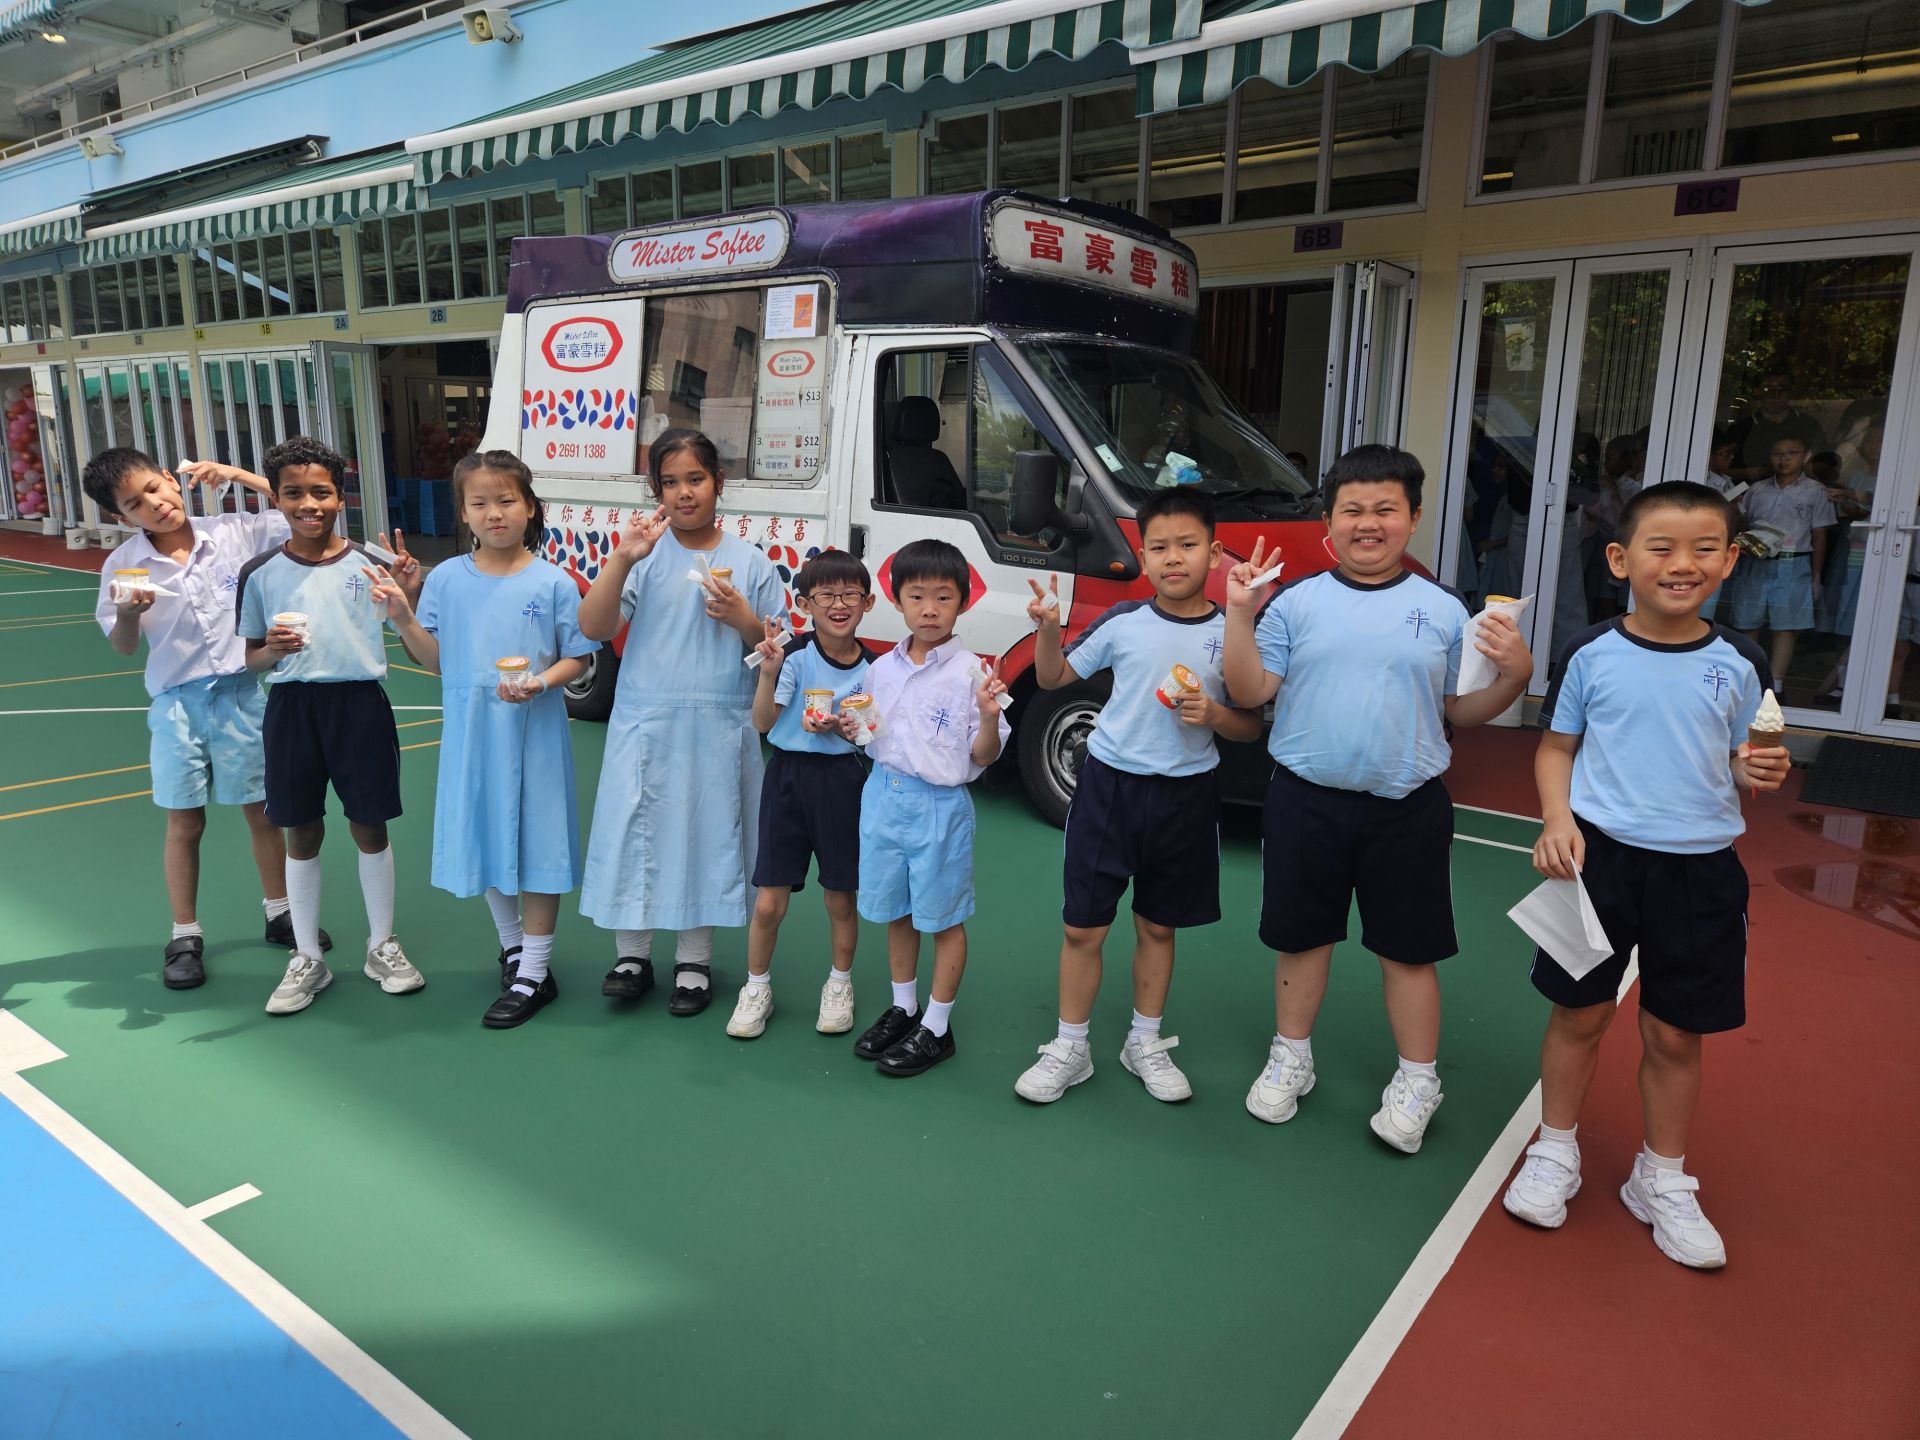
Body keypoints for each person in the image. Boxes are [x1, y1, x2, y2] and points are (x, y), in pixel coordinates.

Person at [1503, 481, 1790, 1268]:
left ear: (1729, 562)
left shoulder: (1742, 661)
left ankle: (1660, 1177)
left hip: (1702, 873)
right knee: (1579, 1014)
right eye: (1661, 548)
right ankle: (1554, 1149)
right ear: (1620, 559)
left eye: (1704, 549)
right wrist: (1556, 820)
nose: (1682, 563)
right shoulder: (1590, 651)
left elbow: (1744, 755)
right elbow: (1556, 748)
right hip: (1596, 864)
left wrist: (1758, 768)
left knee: (1676, 1031)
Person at [1223, 444, 1532, 1154]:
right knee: (1302, 940)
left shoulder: (1445, 609)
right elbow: (1247, 691)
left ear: (1414, 518)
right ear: (1329, 523)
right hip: (1305, 801)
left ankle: (1419, 1079)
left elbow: (1462, 709)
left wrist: (1515, 678)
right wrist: (1239, 615)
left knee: (1409, 952)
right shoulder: (1294, 602)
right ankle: (1291, 1056)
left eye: (1385, 509)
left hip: (1407, 808)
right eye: (1353, 510)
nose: (1369, 523)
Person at [1012, 490, 1261, 1105]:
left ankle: (1143, 1041)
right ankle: (1071, 1046)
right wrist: (1048, 630)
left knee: (1158, 926)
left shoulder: (1232, 632)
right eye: (1159, 548)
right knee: (1083, 928)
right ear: (1142, 559)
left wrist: (1214, 715)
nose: (1173, 558)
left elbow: (1250, 726)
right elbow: (1053, 677)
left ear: (1214, 554)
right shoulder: (1123, 621)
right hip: (1108, 790)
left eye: (1187, 545)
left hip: (1187, 796)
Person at [85, 449, 327, 990]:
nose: (154, 504)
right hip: (177, 706)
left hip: (243, 695)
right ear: (121, 517)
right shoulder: (124, 565)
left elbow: (297, 509)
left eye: (155, 488)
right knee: (184, 822)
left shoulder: (233, 533)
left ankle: (280, 911)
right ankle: (185, 935)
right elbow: (123, 646)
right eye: (135, 504)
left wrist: (239, 475)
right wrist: (127, 614)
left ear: (171, 479)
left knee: (263, 812)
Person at [376, 450, 597, 1028]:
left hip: (535, 733)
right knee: (485, 833)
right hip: (472, 733)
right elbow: (436, 660)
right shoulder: (447, 579)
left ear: (531, 508)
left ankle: (535, 973)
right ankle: (514, 948)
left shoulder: (554, 582)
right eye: (479, 503)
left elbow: (578, 657)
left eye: (506, 500)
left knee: (540, 842)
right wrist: (403, 615)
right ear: (463, 513)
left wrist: (540, 682)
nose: (494, 513)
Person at [576, 428, 785, 1015]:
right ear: (656, 491)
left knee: (709, 834)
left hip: (720, 720)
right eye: (670, 482)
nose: (684, 492)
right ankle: (632, 956)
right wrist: (622, 558)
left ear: (719, 483)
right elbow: (594, 628)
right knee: (635, 831)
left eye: (696, 479)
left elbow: (777, 651)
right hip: (646, 717)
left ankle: (694, 960)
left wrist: (744, 620)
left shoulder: (750, 562)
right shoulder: (643, 555)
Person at [235, 437, 426, 1015]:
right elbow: (252, 658)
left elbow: (412, 643)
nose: (308, 504)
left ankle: (381, 944)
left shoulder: (373, 563)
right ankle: (307, 956)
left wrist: (409, 595)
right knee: (301, 832)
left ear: (340, 497)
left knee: (370, 826)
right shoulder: (259, 572)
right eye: (293, 493)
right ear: (275, 498)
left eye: (321, 492)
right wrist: (271, 650)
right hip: (291, 710)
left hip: (360, 705)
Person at [848, 539, 1010, 1077]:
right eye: (917, 596)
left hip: (939, 806)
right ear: (897, 600)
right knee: (896, 910)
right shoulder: (881, 669)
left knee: (942, 917)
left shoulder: (973, 674)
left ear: (964, 600)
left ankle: (937, 1027)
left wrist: (989, 716)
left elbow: (984, 756)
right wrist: (851, 728)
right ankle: (905, 1007)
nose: (930, 609)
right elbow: (871, 733)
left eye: (944, 597)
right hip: (882, 797)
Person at [725, 551, 877, 1040]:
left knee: (841, 897)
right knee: (769, 902)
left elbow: (870, 738)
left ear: (868, 602)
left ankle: (839, 984)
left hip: (844, 781)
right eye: (825, 596)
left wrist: (849, 730)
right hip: (787, 779)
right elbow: (763, 723)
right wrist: (768, 672)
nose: (839, 605)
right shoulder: (793, 655)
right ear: (806, 604)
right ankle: (756, 987)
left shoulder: (875, 668)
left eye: (850, 595)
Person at [1727, 437, 1836, 693]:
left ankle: (1775, 686)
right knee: (1747, 623)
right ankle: (1750, 680)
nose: (1783, 459)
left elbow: (1819, 535)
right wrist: (1733, 511)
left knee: (1785, 627)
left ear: (1805, 456)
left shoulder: (1815, 491)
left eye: (1791, 453)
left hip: (1793, 562)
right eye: (1777, 453)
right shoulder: (1757, 489)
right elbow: (1743, 524)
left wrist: (1816, 575)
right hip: (1755, 560)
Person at [1732, 372, 1827, 482]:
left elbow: (1827, 466)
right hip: (1752, 491)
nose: (1775, 395)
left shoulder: (1809, 425)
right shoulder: (1742, 428)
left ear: (1791, 393)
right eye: (1768, 389)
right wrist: (1762, 471)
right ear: (1757, 392)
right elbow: (1724, 472)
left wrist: (1799, 467)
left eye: (1782, 389)